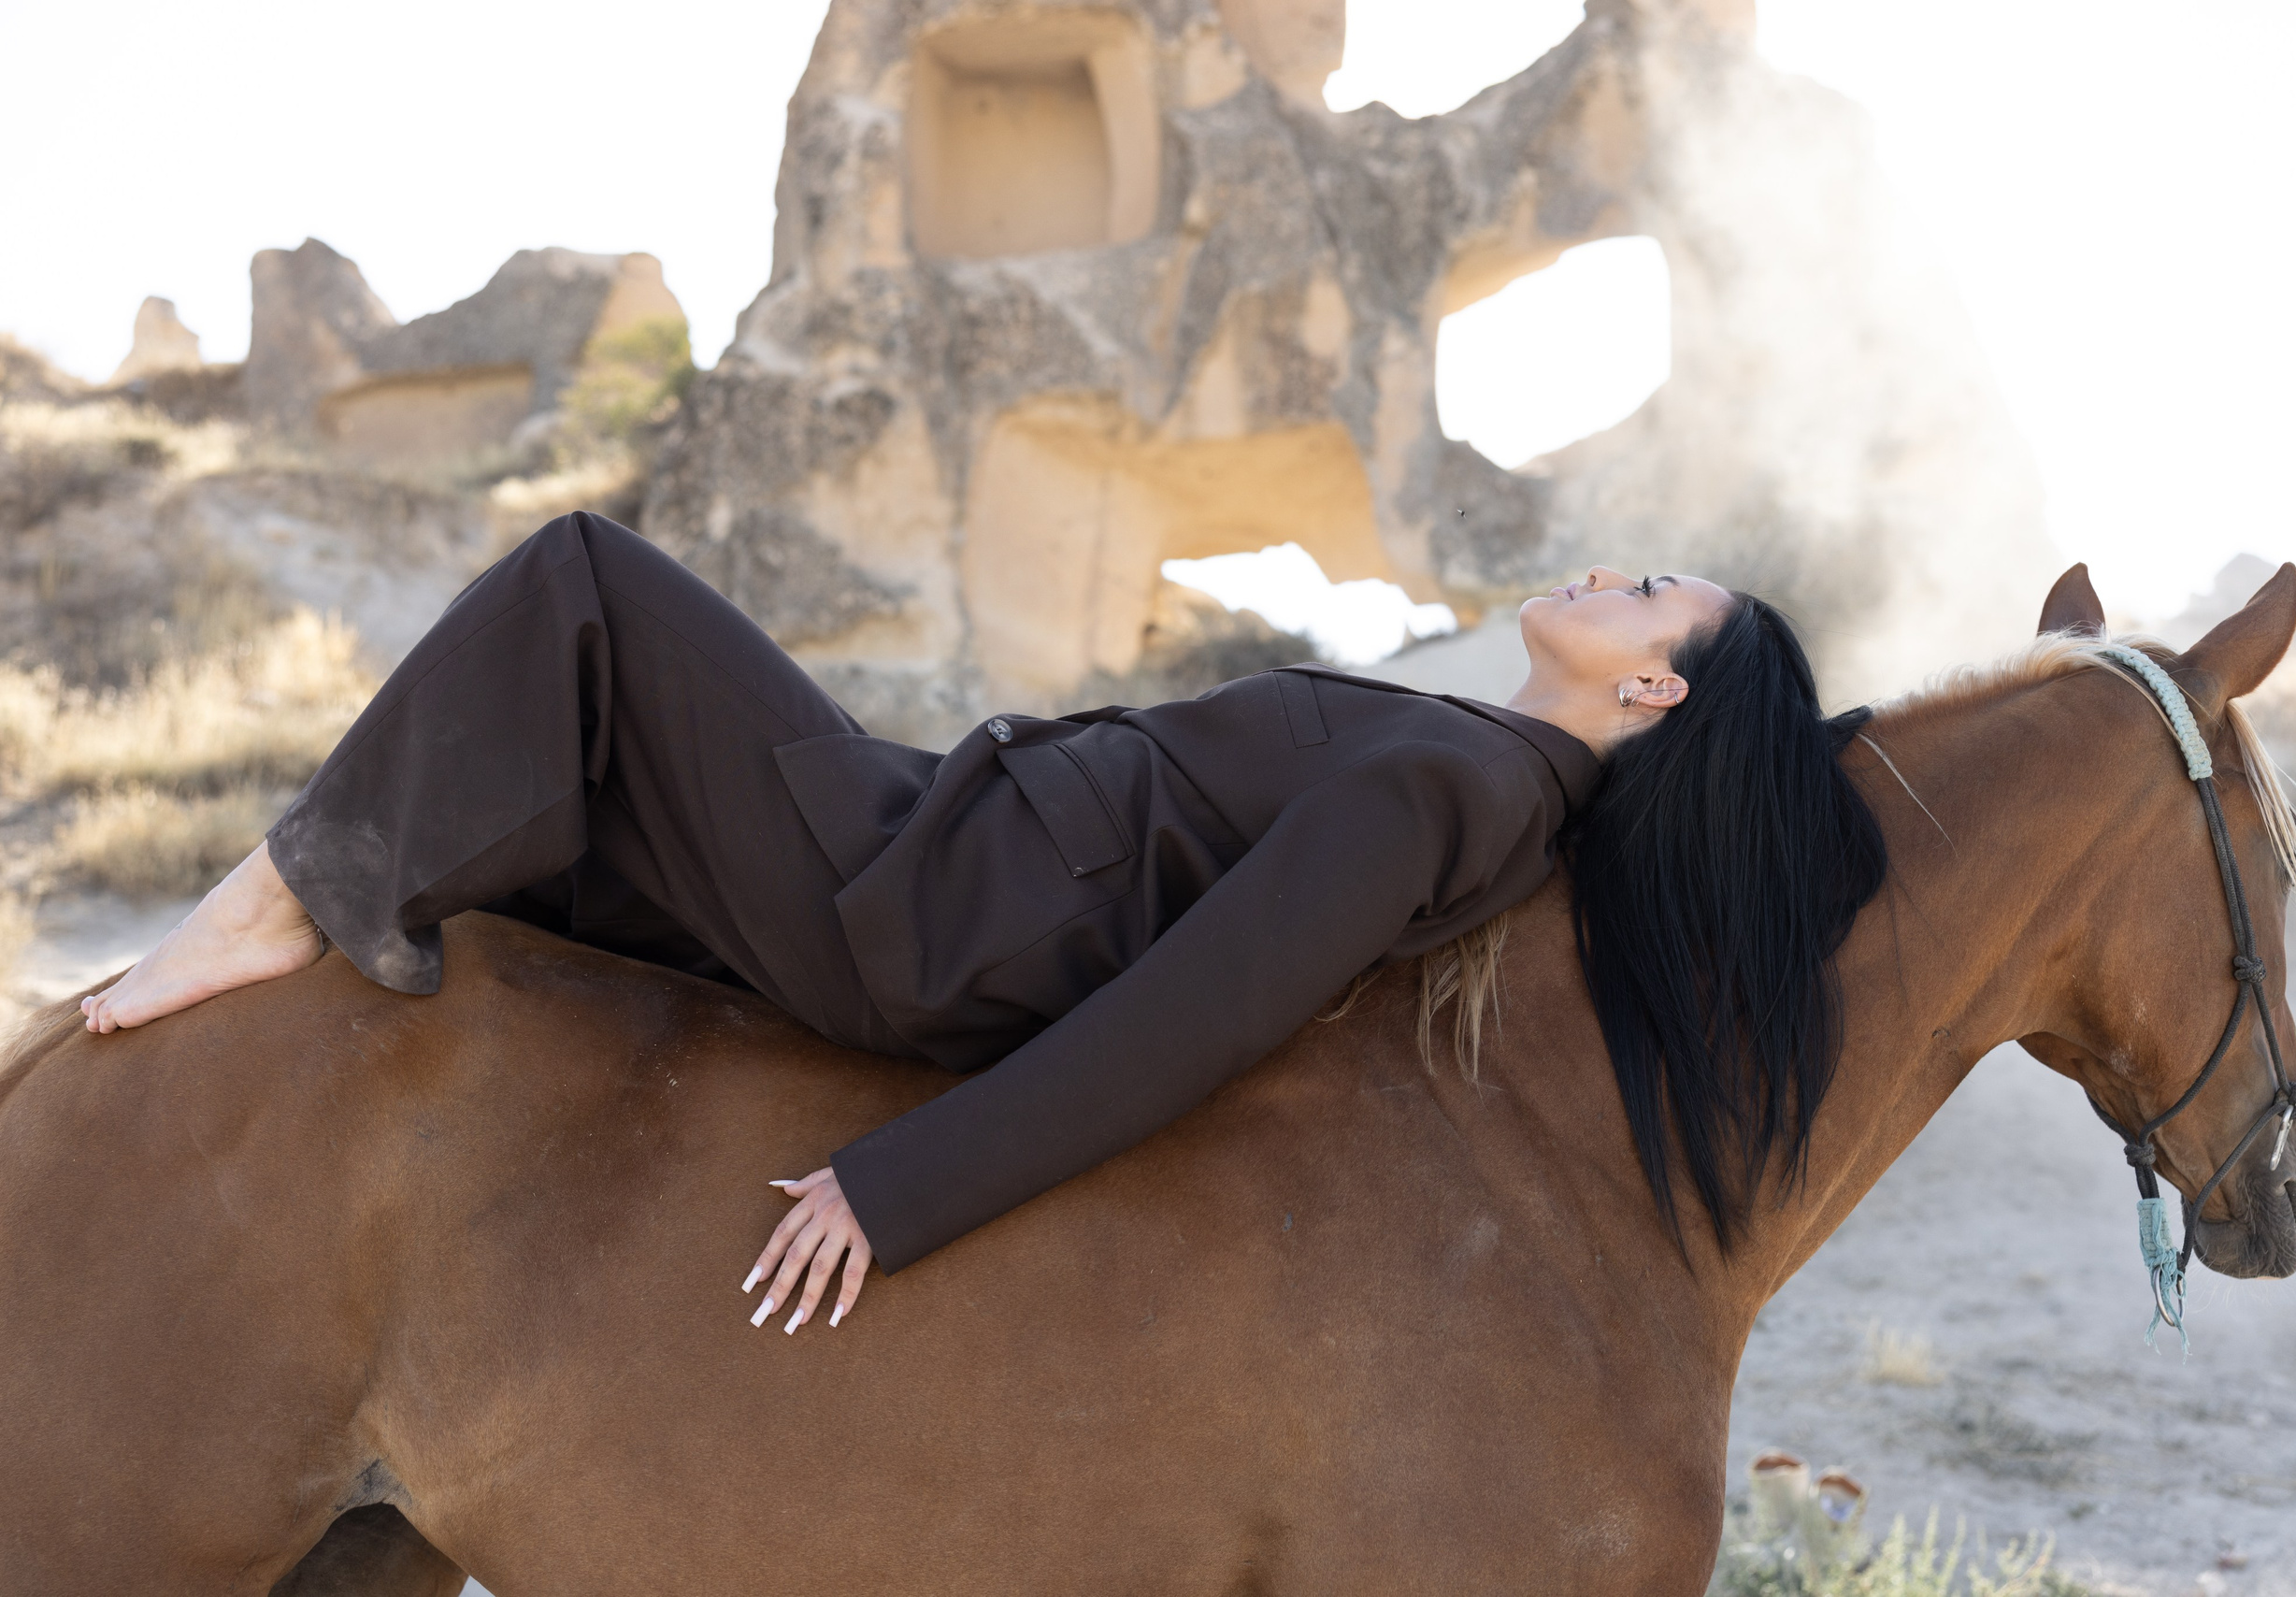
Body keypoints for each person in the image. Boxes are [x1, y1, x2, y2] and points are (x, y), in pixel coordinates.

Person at [78, 511, 1885, 1334]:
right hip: (935, 844)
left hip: (924, 903)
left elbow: (1204, 1008)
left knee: (584, 586)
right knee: (558, 836)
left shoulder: (1465, 788)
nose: (1598, 571)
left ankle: (266, 907)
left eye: (1641, 591)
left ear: (1653, 690)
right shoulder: (1487, 775)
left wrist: (899, 1185)